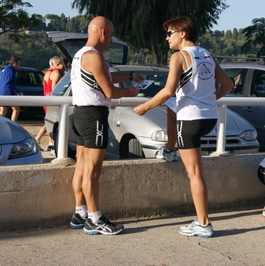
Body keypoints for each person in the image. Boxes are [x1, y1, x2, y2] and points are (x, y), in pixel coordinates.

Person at [133, 16, 234, 238]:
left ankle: (203, 223)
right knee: (173, 111)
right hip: (208, 118)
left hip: (188, 121)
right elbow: (229, 84)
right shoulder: (207, 54)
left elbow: (168, 91)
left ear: (183, 33)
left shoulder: (179, 57)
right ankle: (170, 150)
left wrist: (145, 107)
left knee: (195, 174)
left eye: (170, 33)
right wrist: (209, 100)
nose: (167, 38)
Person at [68, 16, 144, 236]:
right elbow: (110, 91)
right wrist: (131, 92)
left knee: (82, 166)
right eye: (110, 35)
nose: (111, 40)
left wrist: (130, 75)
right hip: (94, 117)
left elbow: (104, 77)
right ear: (102, 33)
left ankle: (80, 213)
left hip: (81, 114)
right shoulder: (94, 56)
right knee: (93, 171)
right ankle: (94, 218)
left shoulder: (81, 55)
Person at [36, 56, 65, 152]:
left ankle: (50, 143)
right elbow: (55, 89)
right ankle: (37, 139)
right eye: (61, 63)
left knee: (50, 121)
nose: (63, 65)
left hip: (46, 98)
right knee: (50, 121)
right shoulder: (56, 73)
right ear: (56, 63)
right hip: (51, 100)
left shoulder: (47, 73)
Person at [0, 55, 23, 122]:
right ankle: (13, 125)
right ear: (15, 63)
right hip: (7, 93)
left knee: (3, 112)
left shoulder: (5, 69)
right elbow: (8, 83)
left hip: (3, 92)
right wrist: (17, 92)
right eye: (19, 64)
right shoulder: (10, 70)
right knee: (16, 110)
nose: (19, 66)